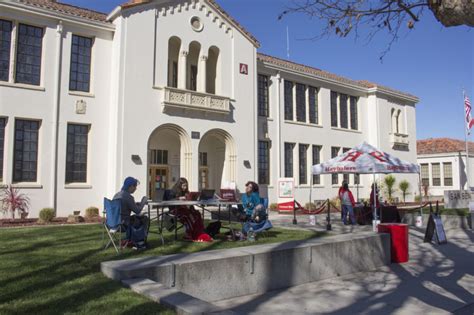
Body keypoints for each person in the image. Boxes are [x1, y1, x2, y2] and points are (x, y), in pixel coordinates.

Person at [169, 178, 211, 242]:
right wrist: (178, 198)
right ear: (179, 185)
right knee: (187, 216)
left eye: (186, 186)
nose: (185, 187)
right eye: (183, 186)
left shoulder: (186, 192)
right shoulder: (173, 191)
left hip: (185, 209)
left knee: (197, 214)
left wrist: (193, 198)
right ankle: (189, 234)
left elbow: (189, 202)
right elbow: (169, 201)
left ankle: (200, 232)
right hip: (176, 210)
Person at [113, 177, 149, 248]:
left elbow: (125, 206)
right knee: (143, 218)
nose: (136, 188)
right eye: (135, 186)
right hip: (123, 224)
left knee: (134, 218)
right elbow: (137, 211)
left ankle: (130, 240)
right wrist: (143, 202)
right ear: (130, 186)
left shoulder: (117, 195)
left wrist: (135, 205)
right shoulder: (128, 197)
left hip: (113, 223)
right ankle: (139, 242)